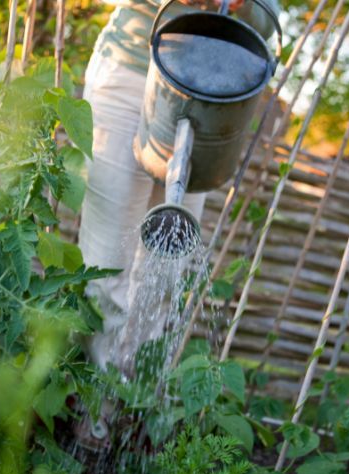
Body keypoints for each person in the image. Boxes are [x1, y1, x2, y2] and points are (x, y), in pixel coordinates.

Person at [78, 0, 280, 373]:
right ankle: (92, 401)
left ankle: (131, 397)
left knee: (168, 264)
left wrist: (241, 4)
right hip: (130, 71)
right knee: (105, 260)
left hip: (206, 89)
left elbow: (267, 22)